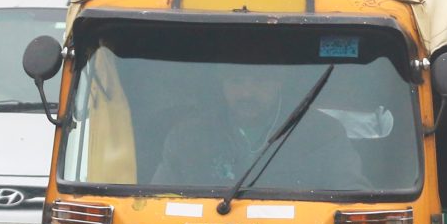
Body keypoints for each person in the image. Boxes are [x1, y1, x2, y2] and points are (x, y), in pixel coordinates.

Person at [153, 68, 364, 189]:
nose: (247, 93)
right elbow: (158, 202)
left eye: (260, 81)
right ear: (222, 84)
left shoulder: (322, 133)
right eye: (236, 81)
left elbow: (353, 197)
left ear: (279, 82)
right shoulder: (188, 136)